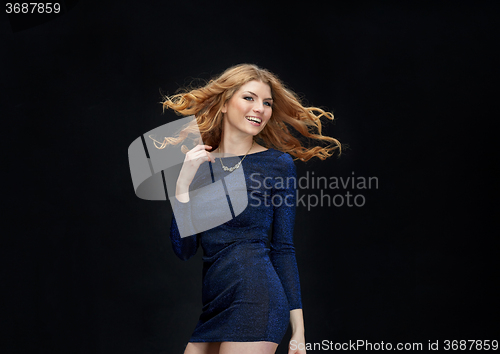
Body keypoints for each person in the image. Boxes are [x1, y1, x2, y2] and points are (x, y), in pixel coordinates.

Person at [152, 64, 341, 354]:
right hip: (215, 306)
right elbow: (185, 249)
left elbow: (283, 248)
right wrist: (182, 185)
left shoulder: (277, 165)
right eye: (249, 98)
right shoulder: (199, 168)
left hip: (257, 297)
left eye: (267, 103)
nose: (260, 109)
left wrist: (299, 331)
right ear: (225, 103)